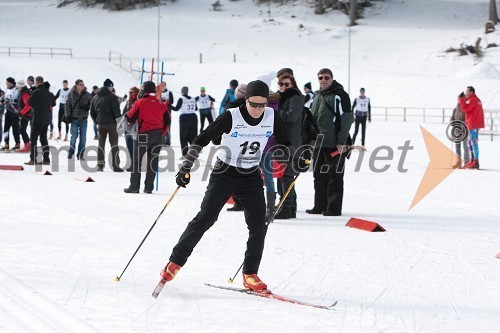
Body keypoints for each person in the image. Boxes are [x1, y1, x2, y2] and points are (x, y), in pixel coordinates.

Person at [159, 80, 308, 291]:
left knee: (258, 224)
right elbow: (201, 139)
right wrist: (186, 167)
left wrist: (297, 157)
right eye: (253, 104)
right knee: (206, 217)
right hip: (224, 173)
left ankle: (250, 274)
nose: (257, 109)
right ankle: (175, 262)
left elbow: (285, 141)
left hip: (250, 176)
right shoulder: (231, 116)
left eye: (262, 105)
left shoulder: (271, 116)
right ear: (245, 100)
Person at [307, 68, 353, 216]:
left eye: (326, 77)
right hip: (319, 143)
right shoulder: (317, 96)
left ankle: (333, 208)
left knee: (334, 176)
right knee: (319, 175)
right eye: (320, 78)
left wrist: (341, 141)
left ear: (332, 78)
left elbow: (346, 119)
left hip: (335, 144)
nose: (323, 80)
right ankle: (319, 206)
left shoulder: (341, 96)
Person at [123, 81, 169, 193]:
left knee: (137, 161)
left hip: (143, 134)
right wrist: (161, 132)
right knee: (153, 161)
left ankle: (134, 187)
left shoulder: (140, 102)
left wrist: (126, 115)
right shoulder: (161, 104)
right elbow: (167, 121)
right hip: (157, 135)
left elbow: (130, 117)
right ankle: (149, 188)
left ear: (144, 90)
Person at [274, 74, 304, 220]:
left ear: (293, 85)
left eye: (287, 84)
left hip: (292, 142)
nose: (283, 87)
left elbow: (292, 116)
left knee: (287, 176)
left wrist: (275, 113)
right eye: (281, 84)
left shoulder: (295, 98)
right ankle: (288, 207)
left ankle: (287, 207)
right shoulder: (281, 98)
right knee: (283, 175)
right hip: (282, 142)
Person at [90, 78, 123, 171]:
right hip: (112, 124)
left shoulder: (95, 97)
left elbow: (92, 112)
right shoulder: (113, 97)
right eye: (112, 87)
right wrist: (120, 123)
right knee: (114, 145)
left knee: (101, 144)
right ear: (109, 87)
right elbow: (117, 112)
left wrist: (97, 121)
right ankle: (116, 166)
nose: (112, 89)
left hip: (101, 124)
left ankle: (100, 166)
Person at [24, 76, 53, 165]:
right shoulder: (48, 93)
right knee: (43, 138)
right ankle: (46, 159)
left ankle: (33, 159)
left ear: (36, 82)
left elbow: (29, 103)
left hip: (37, 118)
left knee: (34, 139)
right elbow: (53, 103)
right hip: (47, 118)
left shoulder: (35, 92)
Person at [65, 79, 92, 160]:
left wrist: (87, 107)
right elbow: (67, 105)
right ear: (76, 85)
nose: (82, 86)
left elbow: (92, 105)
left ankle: (80, 154)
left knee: (83, 138)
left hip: (84, 119)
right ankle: (71, 151)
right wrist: (68, 116)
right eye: (80, 84)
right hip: (74, 119)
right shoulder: (71, 94)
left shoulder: (87, 94)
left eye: (83, 84)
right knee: (74, 137)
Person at [459, 86, 485, 169]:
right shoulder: (475, 100)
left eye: (467, 91)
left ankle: (475, 162)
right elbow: (468, 106)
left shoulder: (473, 100)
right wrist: (463, 99)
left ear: (471, 92)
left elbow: (466, 109)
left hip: (473, 124)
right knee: (470, 142)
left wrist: (460, 99)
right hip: (474, 124)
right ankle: (473, 160)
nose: (466, 93)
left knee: (473, 143)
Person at [170, 86, 197, 158]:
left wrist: (168, 105)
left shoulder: (181, 99)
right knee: (192, 137)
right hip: (193, 117)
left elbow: (176, 108)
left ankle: (185, 154)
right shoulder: (193, 98)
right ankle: (193, 154)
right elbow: (196, 108)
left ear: (182, 91)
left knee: (183, 137)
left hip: (184, 118)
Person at [450, 94, 470, 168]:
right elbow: (451, 119)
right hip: (456, 130)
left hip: (464, 130)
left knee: (465, 147)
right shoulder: (455, 108)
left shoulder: (466, 107)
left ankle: (467, 163)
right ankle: (459, 163)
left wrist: (462, 124)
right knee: (457, 147)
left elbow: (468, 119)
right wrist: (454, 124)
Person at [1, 77, 20, 151]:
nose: (6, 84)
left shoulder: (17, 89)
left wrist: (11, 100)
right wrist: (2, 100)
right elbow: (4, 99)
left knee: (15, 129)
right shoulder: (7, 90)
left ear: (11, 83)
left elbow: (17, 99)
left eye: (7, 83)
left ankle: (17, 143)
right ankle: (6, 143)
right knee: (6, 129)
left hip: (14, 112)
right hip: (8, 111)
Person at [122, 86, 139, 169]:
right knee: (129, 146)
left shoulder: (139, 101)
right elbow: (124, 112)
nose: (131, 94)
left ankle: (135, 164)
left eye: (132, 92)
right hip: (128, 127)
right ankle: (131, 163)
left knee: (135, 146)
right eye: (130, 92)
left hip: (135, 127)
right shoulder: (128, 101)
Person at [17, 80, 32, 153]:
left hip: (27, 114)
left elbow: (28, 105)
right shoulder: (24, 92)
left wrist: (22, 112)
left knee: (22, 129)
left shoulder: (25, 94)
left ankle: (27, 145)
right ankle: (27, 144)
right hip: (26, 114)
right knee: (22, 129)